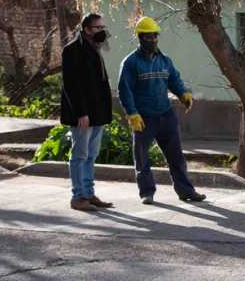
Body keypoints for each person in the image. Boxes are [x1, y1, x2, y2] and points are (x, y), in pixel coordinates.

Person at [118, 16, 206, 204]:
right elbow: (124, 90)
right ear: (140, 38)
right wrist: (132, 113)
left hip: (166, 115)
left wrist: (183, 94)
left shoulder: (165, 60)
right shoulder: (131, 63)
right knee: (142, 159)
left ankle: (185, 191)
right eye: (148, 37)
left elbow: (174, 80)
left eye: (155, 37)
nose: (152, 40)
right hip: (143, 118)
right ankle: (147, 192)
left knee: (177, 157)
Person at [61, 13, 115, 212]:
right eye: (97, 28)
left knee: (91, 155)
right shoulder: (72, 50)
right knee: (80, 155)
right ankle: (78, 197)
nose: (101, 31)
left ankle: (89, 194)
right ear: (86, 29)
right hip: (83, 115)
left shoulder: (95, 49)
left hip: (97, 113)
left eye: (102, 27)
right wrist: (81, 113)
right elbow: (71, 85)